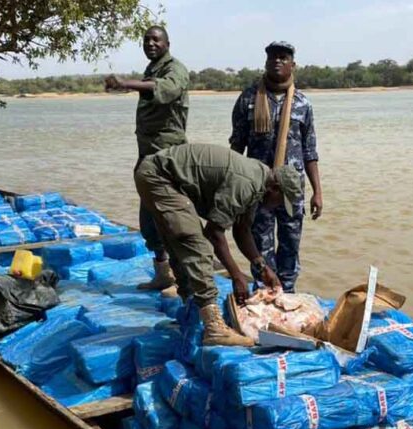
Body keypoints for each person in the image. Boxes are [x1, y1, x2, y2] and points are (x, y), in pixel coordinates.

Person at [135, 144, 302, 346]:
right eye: (280, 202)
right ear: (275, 189)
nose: (277, 207)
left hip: (161, 178)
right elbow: (214, 233)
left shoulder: (258, 184)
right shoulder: (247, 182)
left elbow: (242, 231)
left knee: (180, 246)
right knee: (196, 246)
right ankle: (214, 327)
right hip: (158, 177)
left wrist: (261, 266)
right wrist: (236, 275)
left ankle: (193, 314)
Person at [230, 41, 323, 293]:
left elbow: (309, 151)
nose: (277, 61)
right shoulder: (248, 99)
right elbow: (236, 148)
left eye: (283, 57)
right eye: (272, 57)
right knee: (260, 245)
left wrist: (317, 192)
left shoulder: (303, 104)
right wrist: (231, 188)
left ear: (293, 64)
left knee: (291, 245)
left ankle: (288, 295)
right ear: (265, 62)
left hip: (291, 190)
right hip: (257, 190)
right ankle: (265, 292)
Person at [104, 25, 189, 292]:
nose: (150, 44)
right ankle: (162, 274)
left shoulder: (175, 69)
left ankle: (182, 279)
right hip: (147, 155)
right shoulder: (152, 69)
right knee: (148, 220)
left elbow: (165, 89)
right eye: (146, 40)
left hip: (166, 157)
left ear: (167, 43)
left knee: (169, 218)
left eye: (156, 40)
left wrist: (126, 84)